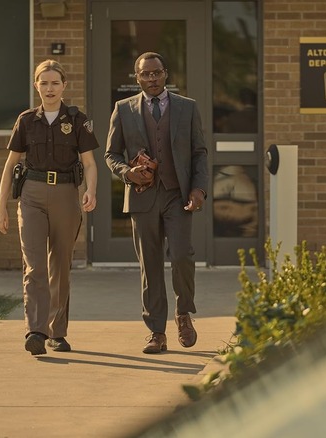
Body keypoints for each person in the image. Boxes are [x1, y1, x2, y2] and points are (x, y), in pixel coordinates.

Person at [105, 52, 209, 354]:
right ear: (136, 78)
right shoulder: (123, 110)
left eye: (157, 73)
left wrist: (199, 189)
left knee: (181, 256)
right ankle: (156, 332)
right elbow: (111, 155)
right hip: (142, 198)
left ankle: (183, 314)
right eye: (145, 74)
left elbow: (199, 152)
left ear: (166, 74)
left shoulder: (187, 108)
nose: (151, 79)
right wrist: (128, 173)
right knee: (149, 266)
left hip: (177, 195)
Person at [0, 59, 99, 356]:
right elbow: (11, 164)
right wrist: (0, 206)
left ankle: (57, 332)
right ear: (36, 85)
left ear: (64, 85)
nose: (49, 88)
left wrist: (91, 191)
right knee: (34, 266)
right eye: (44, 82)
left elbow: (90, 163)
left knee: (60, 267)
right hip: (32, 196)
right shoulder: (26, 120)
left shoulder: (78, 120)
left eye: (55, 82)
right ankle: (36, 331)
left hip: (67, 195)